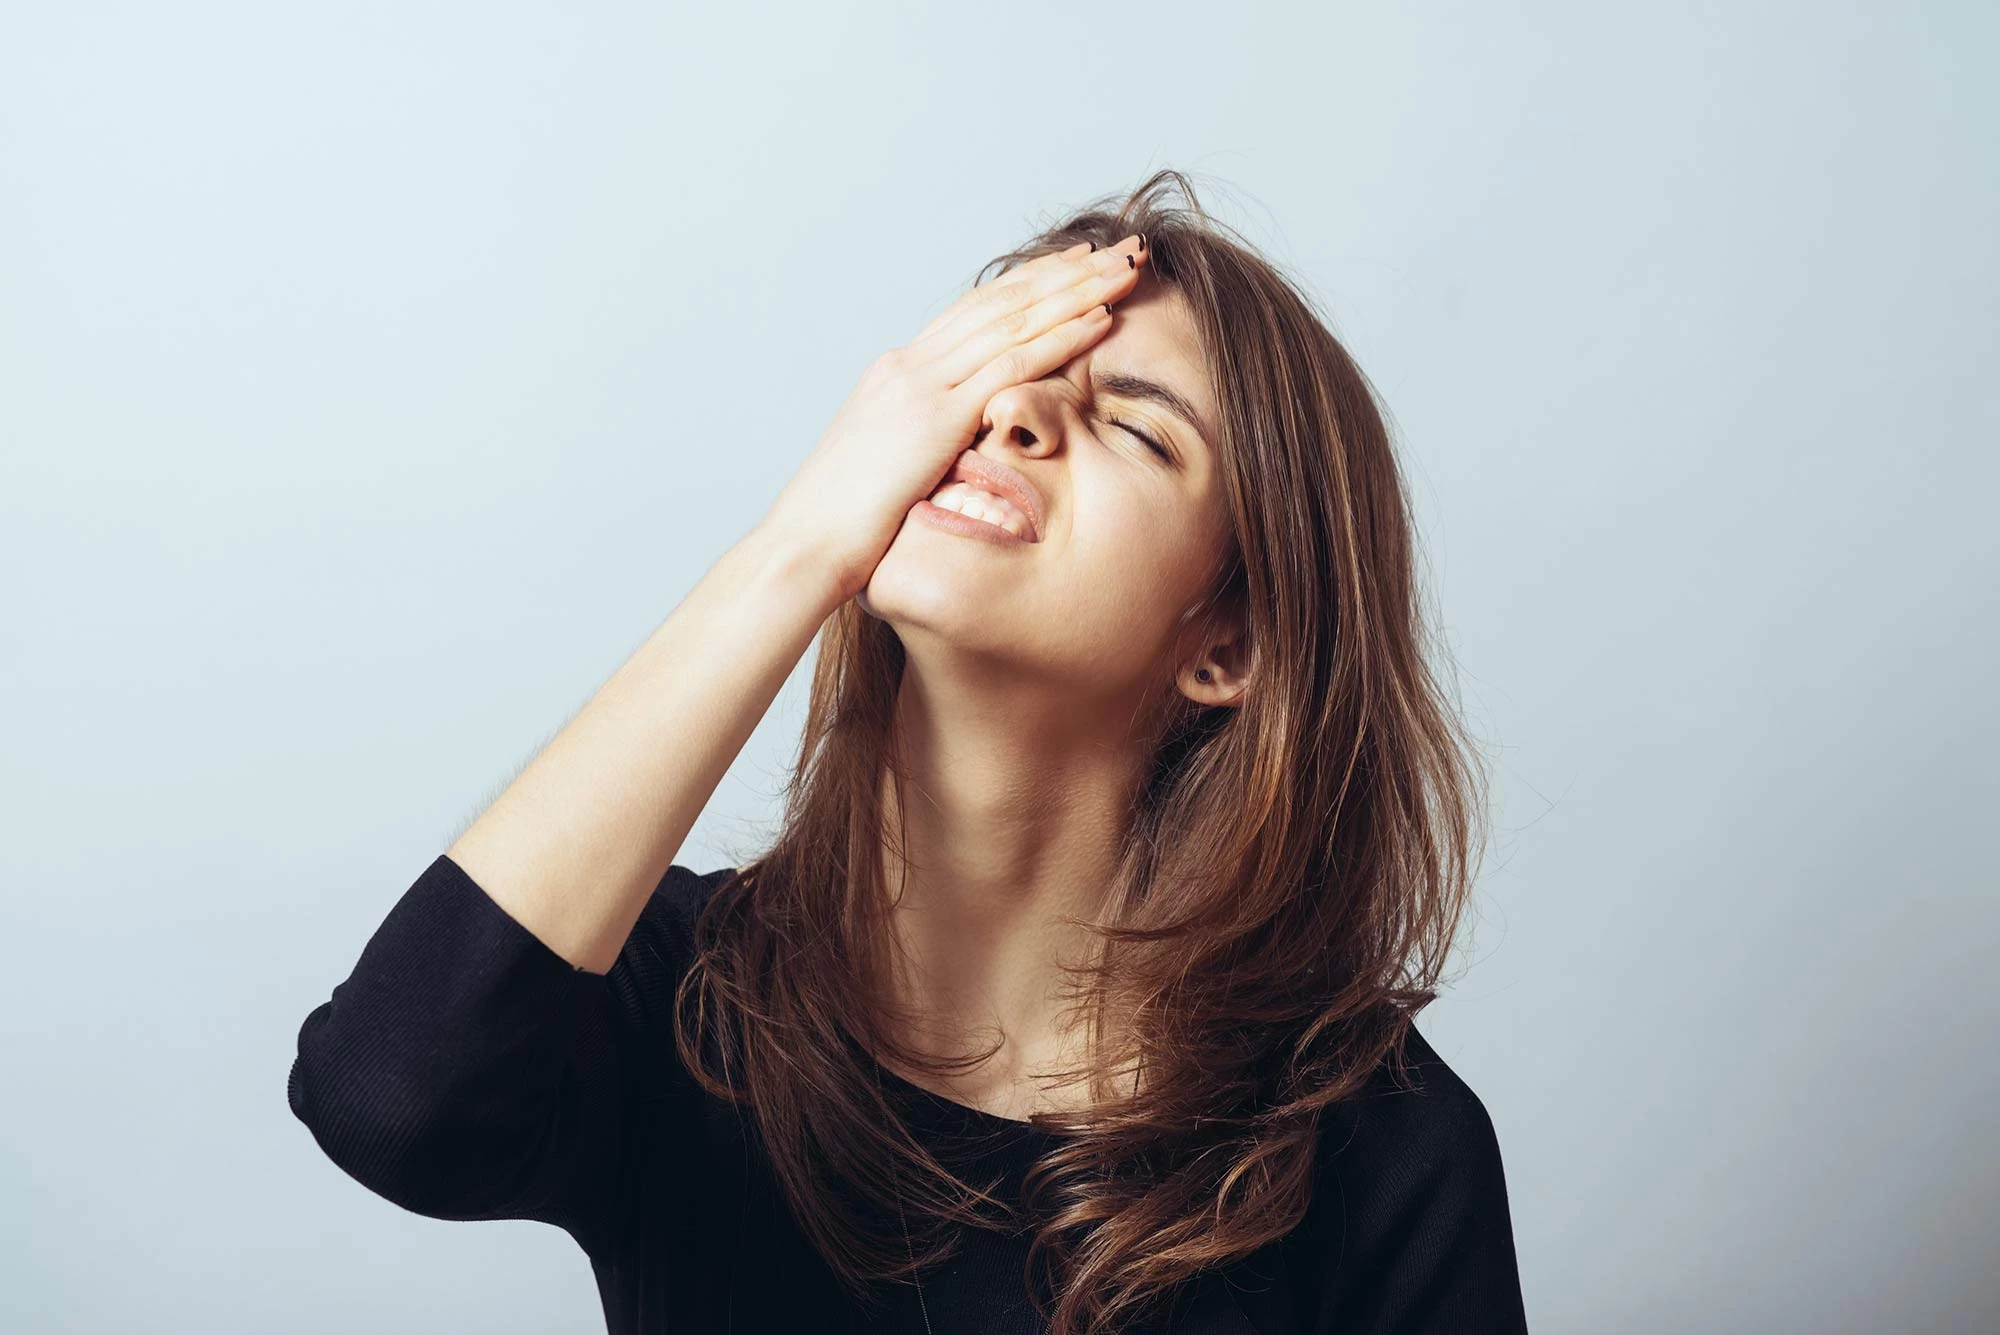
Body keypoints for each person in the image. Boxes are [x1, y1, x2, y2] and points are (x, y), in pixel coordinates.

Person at [288, 169, 1531, 1334]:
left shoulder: (1376, 1156)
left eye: (1137, 430)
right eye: (988, 371)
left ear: (1231, 642)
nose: (1013, 411)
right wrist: (795, 549)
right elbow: (388, 1100)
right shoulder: (689, 1002)